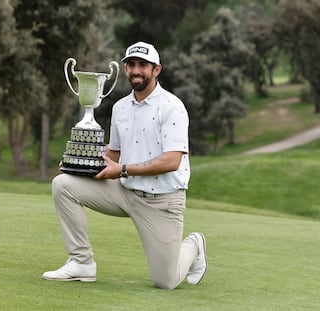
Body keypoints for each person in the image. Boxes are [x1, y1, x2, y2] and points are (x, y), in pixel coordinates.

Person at [42, 41, 207, 289]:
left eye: (143, 65)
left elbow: (172, 161)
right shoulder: (120, 108)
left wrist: (124, 170)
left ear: (156, 70)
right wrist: (80, 163)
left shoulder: (172, 107)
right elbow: (113, 156)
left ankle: (194, 244)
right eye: (131, 65)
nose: (136, 70)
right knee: (63, 185)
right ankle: (81, 263)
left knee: (166, 281)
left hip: (161, 202)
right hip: (124, 191)